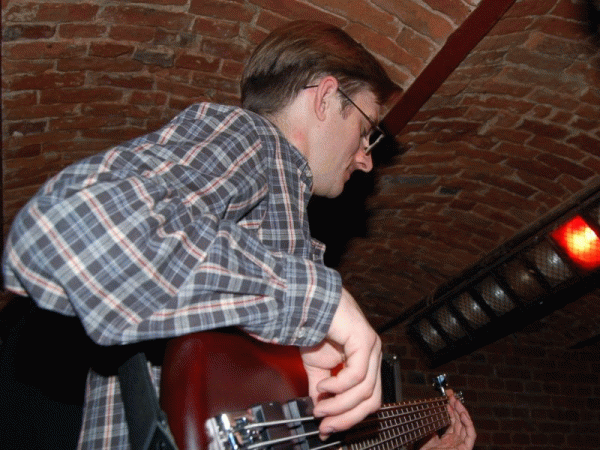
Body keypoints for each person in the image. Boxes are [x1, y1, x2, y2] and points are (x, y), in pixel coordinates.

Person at [2, 20, 475, 450]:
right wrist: (318, 301)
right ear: (326, 98)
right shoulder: (252, 140)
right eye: (367, 128)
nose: (366, 158)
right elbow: (69, 233)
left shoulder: (282, 235)